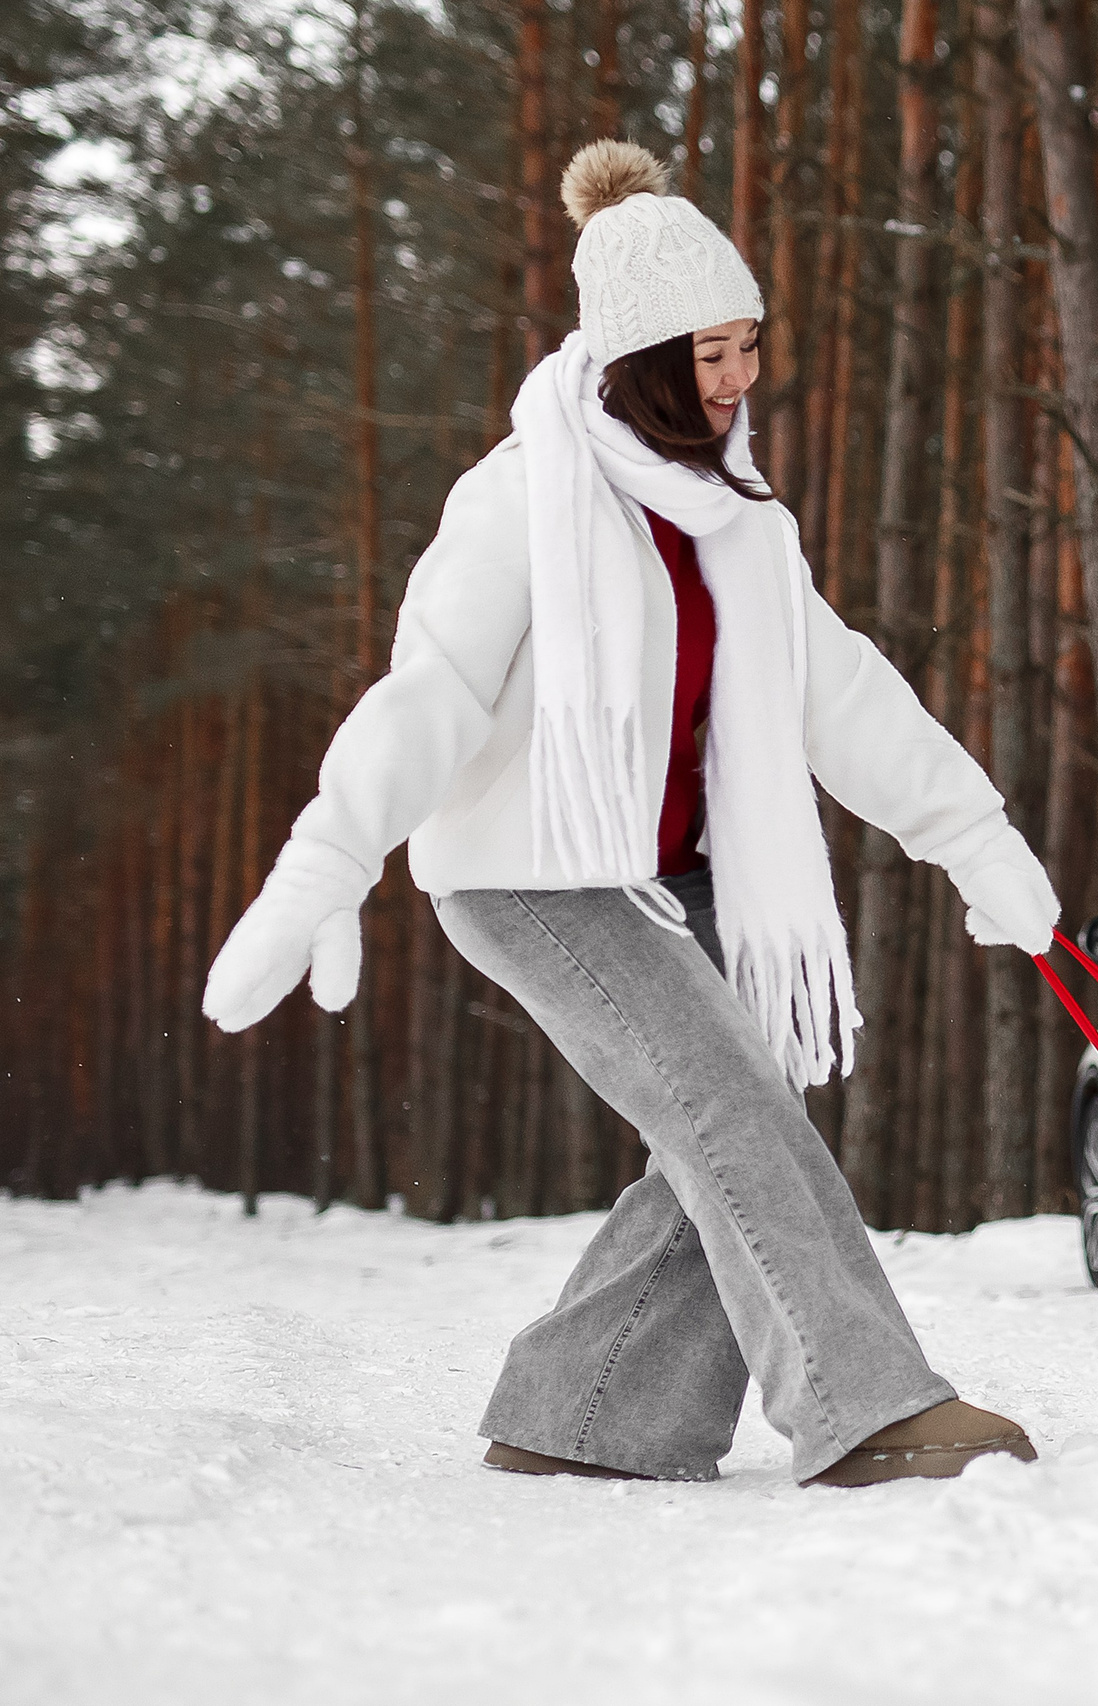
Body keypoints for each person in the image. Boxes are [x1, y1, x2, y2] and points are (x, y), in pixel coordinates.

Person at [201, 141, 1055, 1488]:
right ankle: (867, 1402)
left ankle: (584, 1412)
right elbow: (430, 692)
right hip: (534, 872)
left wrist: (973, 836)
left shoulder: (737, 521)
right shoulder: (519, 500)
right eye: (711, 353)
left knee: (730, 1117)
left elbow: (846, 694)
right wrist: (331, 856)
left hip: (679, 867)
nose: (738, 380)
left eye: (749, 347)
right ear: (642, 354)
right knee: (728, 1100)